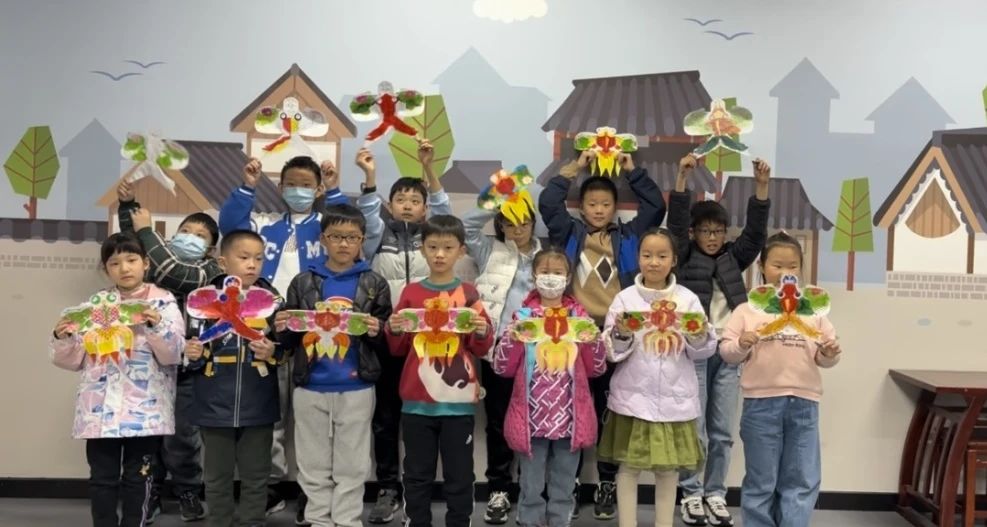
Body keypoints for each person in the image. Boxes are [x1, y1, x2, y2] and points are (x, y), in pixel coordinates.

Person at [50, 232, 185, 527]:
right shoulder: (95, 305)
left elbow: (173, 354)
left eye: (131, 260)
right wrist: (64, 337)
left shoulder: (163, 303)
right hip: (99, 410)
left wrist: (156, 325)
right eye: (114, 263)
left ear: (145, 264)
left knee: (139, 478)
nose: (124, 268)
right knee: (102, 479)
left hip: (145, 411)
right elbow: (71, 359)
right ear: (106, 269)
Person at [719, 232, 842, 527]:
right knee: (761, 479)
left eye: (793, 266)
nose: (785, 272)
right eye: (777, 265)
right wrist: (742, 344)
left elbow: (827, 356)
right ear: (762, 266)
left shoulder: (812, 310)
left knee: (801, 478)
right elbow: (727, 352)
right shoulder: (747, 310)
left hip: (804, 404)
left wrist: (829, 352)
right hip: (760, 404)